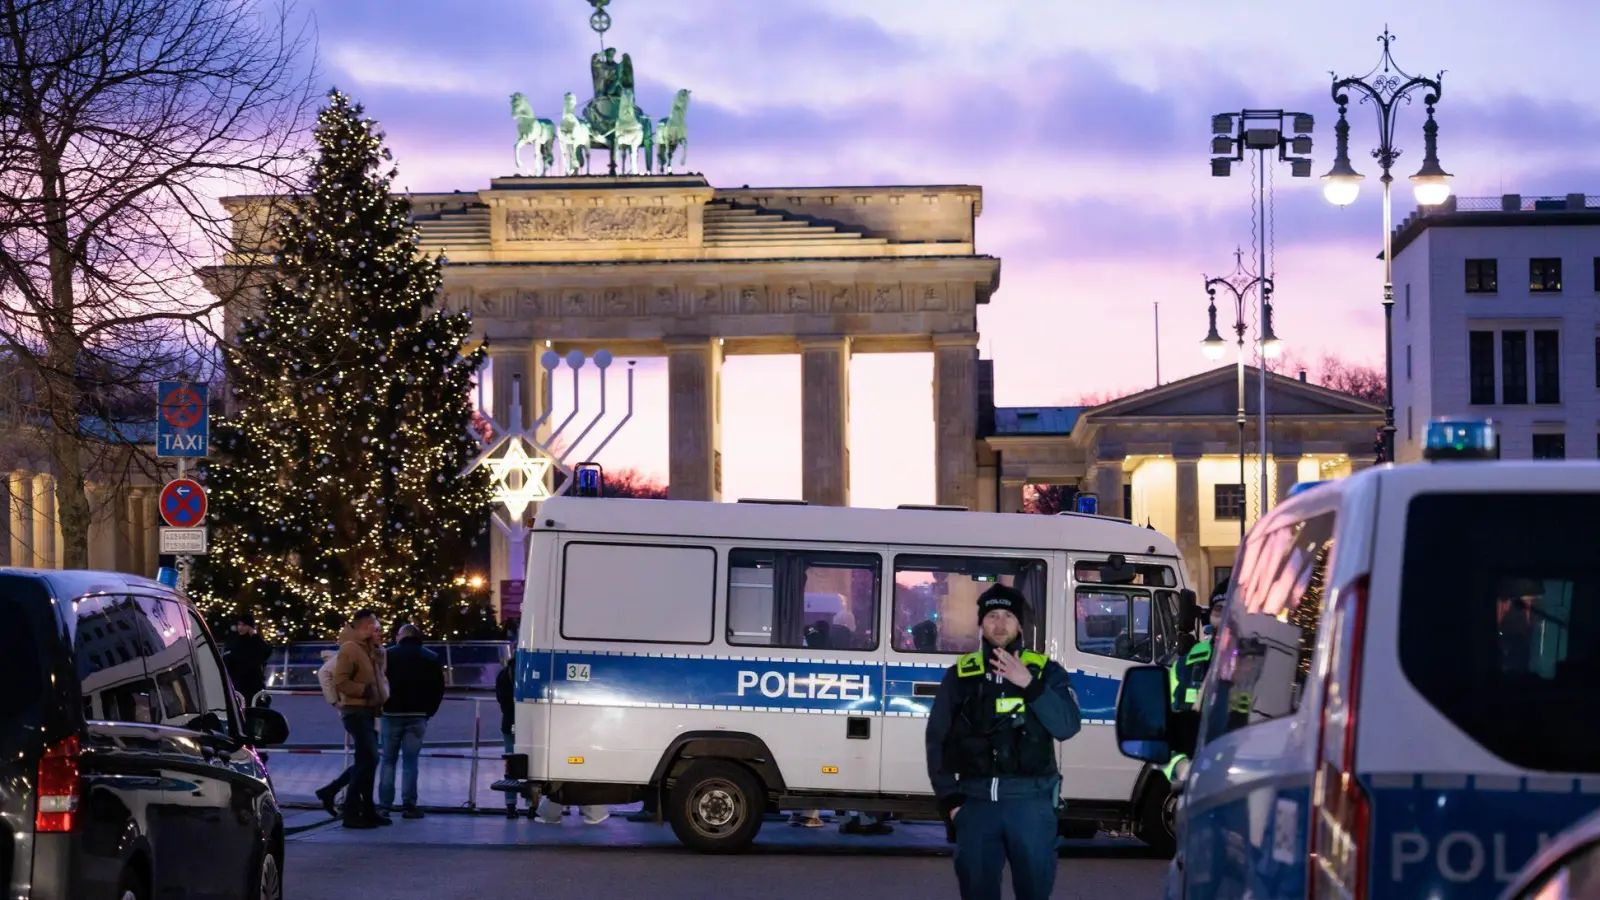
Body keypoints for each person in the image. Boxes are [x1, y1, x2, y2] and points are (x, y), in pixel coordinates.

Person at [926, 584, 1082, 900]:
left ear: (1020, 624)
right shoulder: (961, 675)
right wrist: (951, 803)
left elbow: (1067, 726)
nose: (999, 624)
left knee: (1034, 891)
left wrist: (1028, 684)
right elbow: (937, 739)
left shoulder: (1046, 672)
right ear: (981, 623)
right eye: (992, 616)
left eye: (1008, 616)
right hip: (976, 804)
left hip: (1031, 804)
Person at [331, 609, 390, 829]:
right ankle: (351, 809)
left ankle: (366, 809)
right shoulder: (350, 649)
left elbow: (379, 676)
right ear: (365, 626)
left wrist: (379, 656)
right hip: (355, 711)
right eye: (375, 626)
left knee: (367, 760)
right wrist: (365, 691)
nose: (378, 630)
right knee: (370, 759)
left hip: (368, 711)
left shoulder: (369, 650)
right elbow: (341, 682)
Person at [379, 624, 444, 819]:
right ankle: (409, 804)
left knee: (388, 760)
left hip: (391, 714)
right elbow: (438, 689)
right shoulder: (430, 657)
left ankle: (384, 806)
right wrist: (428, 712)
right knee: (411, 762)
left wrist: (382, 705)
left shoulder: (388, 656)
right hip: (418, 715)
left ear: (402, 636)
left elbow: (379, 682)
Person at [495, 658, 529, 819]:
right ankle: (532, 806)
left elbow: (501, 699)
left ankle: (510, 806)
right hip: (530, 725)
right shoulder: (530, 672)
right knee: (532, 766)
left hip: (509, 723)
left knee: (510, 767)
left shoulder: (503, 674)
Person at [222, 613, 271, 707]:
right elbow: (226, 660)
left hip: (252, 685)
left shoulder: (255, 642)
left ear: (250, 627)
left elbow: (266, 652)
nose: (241, 627)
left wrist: (255, 636)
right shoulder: (233, 641)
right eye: (239, 624)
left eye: (244, 625)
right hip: (237, 685)